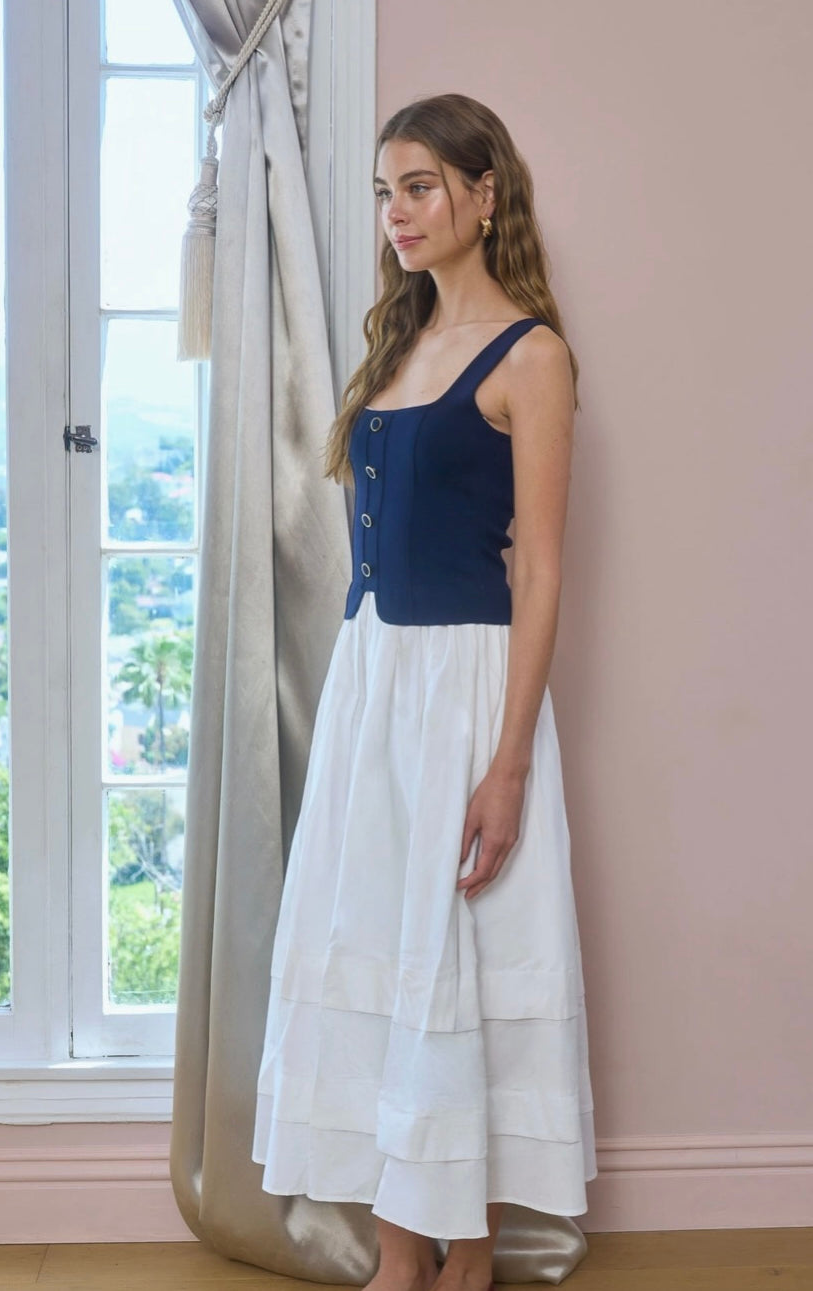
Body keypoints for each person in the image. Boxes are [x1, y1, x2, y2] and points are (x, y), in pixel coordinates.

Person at [252, 92, 597, 1291]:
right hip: (372, 681)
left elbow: (543, 569)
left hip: (464, 688)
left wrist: (504, 765)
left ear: (482, 193)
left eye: (420, 187)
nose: (396, 214)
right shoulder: (397, 343)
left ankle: (475, 1249)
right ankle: (402, 1249)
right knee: (381, 948)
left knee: (458, 951)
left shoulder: (533, 357)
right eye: (384, 192)